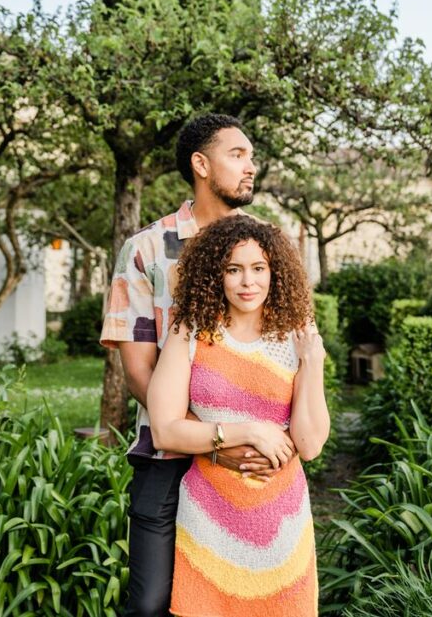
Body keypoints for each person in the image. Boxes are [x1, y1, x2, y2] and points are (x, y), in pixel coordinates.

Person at [100, 114, 283, 616]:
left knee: (247, 601)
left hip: (254, 458)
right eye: (237, 155)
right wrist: (210, 439)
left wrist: (252, 440)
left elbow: (287, 349)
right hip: (168, 459)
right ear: (201, 165)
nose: (251, 166)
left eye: (251, 155)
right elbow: (138, 370)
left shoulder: (269, 246)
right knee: (152, 604)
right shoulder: (145, 251)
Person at [147, 214, 329, 616]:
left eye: (259, 268)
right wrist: (250, 431)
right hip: (209, 521)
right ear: (216, 274)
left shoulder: (295, 333)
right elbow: (164, 430)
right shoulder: (190, 330)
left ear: (274, 272)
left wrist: (312, 362)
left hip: (283, 522)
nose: (248, 282)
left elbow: (310, 445)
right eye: (234, 269)